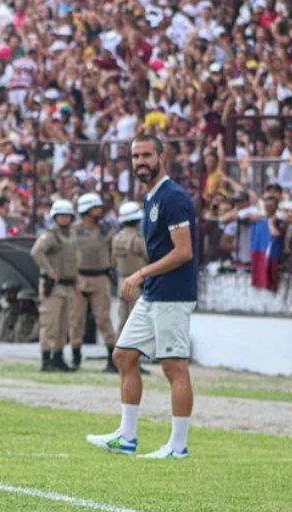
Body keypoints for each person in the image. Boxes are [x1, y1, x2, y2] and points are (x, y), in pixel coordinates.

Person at [87, 134, 198, 459]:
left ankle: (178, 446)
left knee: (174, 366)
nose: (141, 162)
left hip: (173, 295)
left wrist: (141, 273)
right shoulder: (151, 198)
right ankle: (127, 437)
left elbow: (184, 252)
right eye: (136, 157)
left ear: (161, 156)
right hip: (155, 293)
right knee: (123, 356)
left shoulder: (174, 197)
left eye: (147, 155)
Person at [69, 192, 117, 372]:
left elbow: (115, 250)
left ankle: (112, 359)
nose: (99, 211)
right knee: (76, 320)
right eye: (95, 208)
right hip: (79, 278)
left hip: (100, 278)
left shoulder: (106, 230)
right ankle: (75, 358)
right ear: (86, 210)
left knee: (103, 319)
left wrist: (111, 264)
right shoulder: (73, 230)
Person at [32, 200, 78, 372]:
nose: (64, 219)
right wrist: (50, 271)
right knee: (50, 324)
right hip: (53, 285)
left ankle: (58, 358)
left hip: (68, 285)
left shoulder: (72, 235)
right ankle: (46, 359)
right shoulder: (50, 235)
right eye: (61, 216)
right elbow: (37, 252)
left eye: (67, 216)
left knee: (64, 325)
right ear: (55, 217)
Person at [111, 201, 146, 331]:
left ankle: (118, 348)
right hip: (137, 283)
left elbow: (113, 261)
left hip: (122, 281)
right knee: (137, 322)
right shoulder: (138, 239)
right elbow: (150, 258)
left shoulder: (116, 238)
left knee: (123, 320)